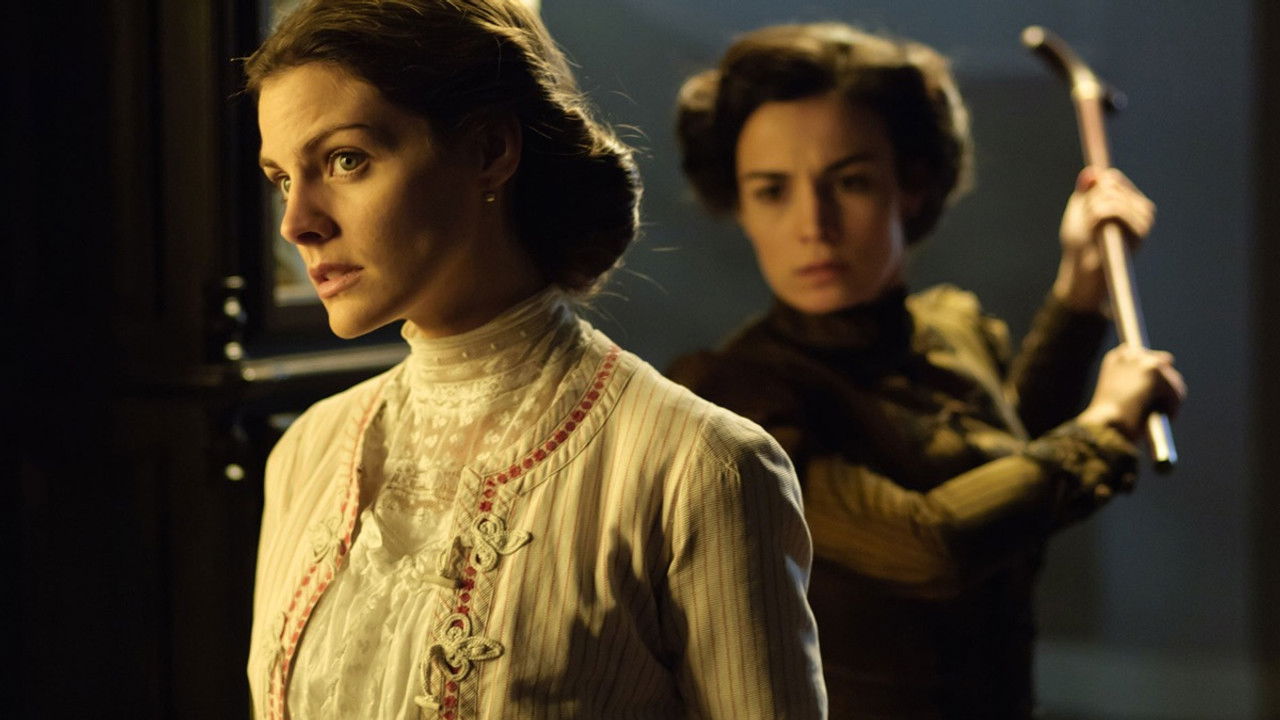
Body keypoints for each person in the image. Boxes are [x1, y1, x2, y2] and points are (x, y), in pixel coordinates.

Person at [242, 2, 827, 719]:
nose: (297, 223)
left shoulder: (699, 468)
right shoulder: (307, 453)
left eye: (346, 160)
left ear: (490, 150)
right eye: (282, 178)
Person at [669, 22, 1186, 718]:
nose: (813, 224)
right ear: (740, 206)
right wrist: (1104, 428)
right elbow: (928, 547)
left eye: (850, 181)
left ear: (911, 185)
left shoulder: (953, 328)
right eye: (771, 191)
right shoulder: (734, 400)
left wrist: (1082, 288)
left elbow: (1012, 471)